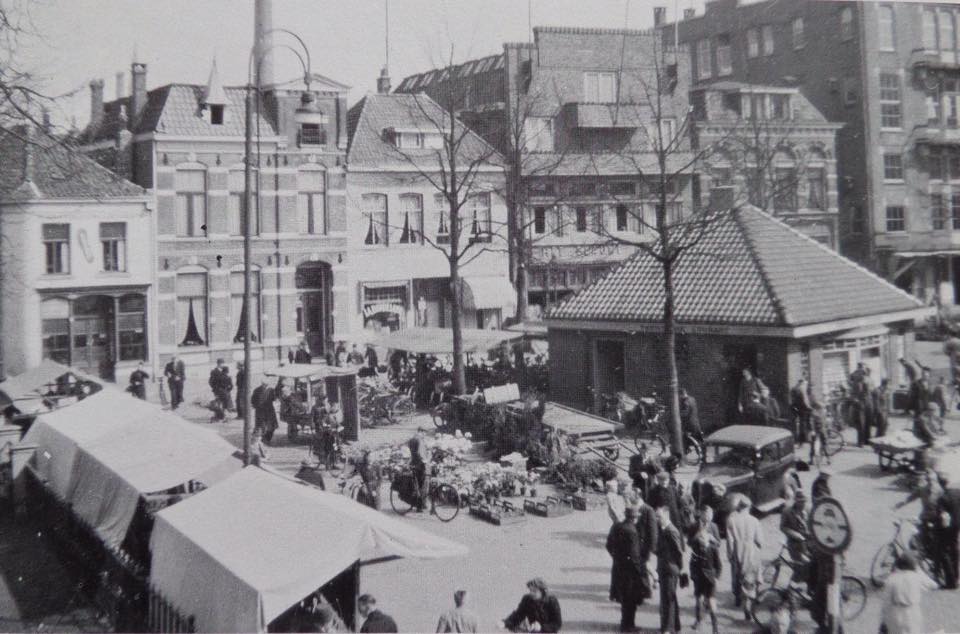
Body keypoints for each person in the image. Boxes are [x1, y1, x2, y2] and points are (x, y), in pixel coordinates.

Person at [606, 505, 648, 632]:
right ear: (634, 518)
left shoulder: (616, 527)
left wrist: (616, 557)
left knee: (624, 598)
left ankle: (625, 623)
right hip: (630, 572)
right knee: (631, 599)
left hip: (618, 568)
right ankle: (628, 626)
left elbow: (608, 545)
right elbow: (634, 556)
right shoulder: (632, 532)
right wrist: (641, 572)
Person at [880, 552, 939, 634]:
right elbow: (934, 585)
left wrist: (884, 620)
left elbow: (886, 603)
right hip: (912, 612)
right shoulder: (916, 577)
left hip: (896, 613)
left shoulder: (891, 579)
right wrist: (919, 571)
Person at [726, 494, 763, 620]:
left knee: (737, 575)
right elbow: (760, 541)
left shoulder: (731, 520)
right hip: (751, 550)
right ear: (749, 508)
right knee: (750, 577)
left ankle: (737, 597)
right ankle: (747, 602)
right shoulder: (754, 521)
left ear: (739, 507)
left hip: (738, 550)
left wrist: (730, 554)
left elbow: (730, 540)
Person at [688, 511, 722, 634]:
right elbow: (692, 563)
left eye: (704, 538)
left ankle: (715, 627)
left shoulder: (713, 548)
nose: (702, 540)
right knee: (698, 599)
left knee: (712, 602)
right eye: (700, 538)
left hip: (710, 578)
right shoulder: (696, 549)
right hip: (699, 577)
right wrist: (693, 576)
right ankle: (698, 621)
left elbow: (719, 565)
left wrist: (717, 577)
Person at [655, 504, 684, 634]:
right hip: (664, 568)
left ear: (667, 515)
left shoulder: (671, 531)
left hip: (670, 569)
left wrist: (680, 569)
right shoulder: (663, 529)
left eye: (659, 516)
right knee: (669, 597)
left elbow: (679, 552)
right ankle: (675, 626)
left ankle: (667, 628)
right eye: (656, 516)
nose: (657, 519)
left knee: (668, 599)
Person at [780, 490, 811, 592]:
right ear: (795, 501)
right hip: (795, 545)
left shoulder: (809, 509)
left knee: (815, 565)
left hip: (809, 543)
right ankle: (791, 588)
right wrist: (796, 535)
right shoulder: (787, 511)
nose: (802, 504)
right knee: (803, 565)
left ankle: (809, 588)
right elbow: (783, 527)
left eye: (804, 501)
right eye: (800, 501)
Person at [936, 476, 960, 589]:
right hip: (957, 525)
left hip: (948, 528)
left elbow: (943, 516)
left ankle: (951, 582)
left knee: (944, 552)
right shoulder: (958, 492)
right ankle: (957, 577)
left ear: (940, 484)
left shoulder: (942, 497)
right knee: (955, 550)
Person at [251, 378, 278, 442]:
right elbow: (253, 400)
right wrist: (256, 406)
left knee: (271, 426)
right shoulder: (257, 390)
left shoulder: (271, 390)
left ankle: (267, 438)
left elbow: (274, 398)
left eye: (266, 384)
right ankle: (259, 439)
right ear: (262, 384)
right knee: (260, 426)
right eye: (264, 384)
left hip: (269, 410)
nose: (265, 386)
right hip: (260, 410)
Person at [789, 378, 813, 445]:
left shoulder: (795, 389)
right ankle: (802, 440)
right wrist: (809, 408)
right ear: (801, 383)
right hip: (801, 409)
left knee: (801, 425)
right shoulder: (799, 389)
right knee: (803, 424)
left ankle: (801, 440)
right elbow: (804, 401)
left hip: (799, 409)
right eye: (805, 384)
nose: (805, 385)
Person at [409, 436, 429, 513]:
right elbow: (419, 454)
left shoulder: (413, 441)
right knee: (419, 487)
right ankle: (419, 506)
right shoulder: (418, 442)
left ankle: (421, 504)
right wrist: (424, 460)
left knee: (420, 486)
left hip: (417, 466)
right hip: (419, 466)